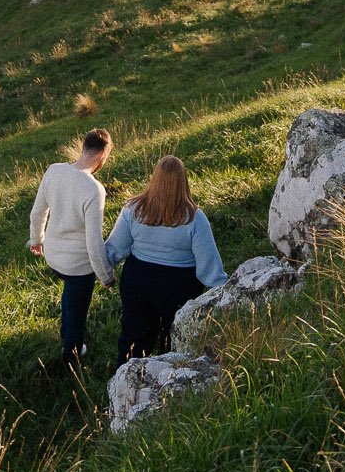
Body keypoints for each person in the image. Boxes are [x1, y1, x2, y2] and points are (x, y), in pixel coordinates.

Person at [106, 155, 226, 365]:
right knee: (173, 338)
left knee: (133, 336)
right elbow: (209, 267)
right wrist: (225, 290)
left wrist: (99, 269)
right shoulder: (195, 218)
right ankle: (167, 382)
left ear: (155, 178)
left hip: (138, 280)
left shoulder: (133, 209)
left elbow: (115, 248)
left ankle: (125, 380)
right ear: (183, 182)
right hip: (179, 285)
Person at [28, 128, 114, 366]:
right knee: (78, 312)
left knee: (70, 293)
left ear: (83, 148)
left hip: (53, 256)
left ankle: (64, 333)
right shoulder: (94, 189)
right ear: (102, 155)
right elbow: (94, 242)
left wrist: (36, 240)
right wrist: (106, 275)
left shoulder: (54, 171)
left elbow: (38, 213)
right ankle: (71, 356)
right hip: (78, 264)